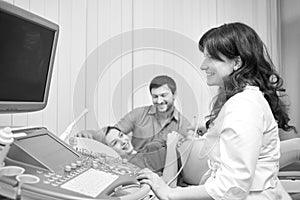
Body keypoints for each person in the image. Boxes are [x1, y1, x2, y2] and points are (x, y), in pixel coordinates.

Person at [136, 22, 297, 200]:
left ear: (236, 62)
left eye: (211, 57)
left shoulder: (243, 107)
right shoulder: (240, 102)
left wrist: (169, 193)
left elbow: (232, 187)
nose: (203, 66)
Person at [77, 75, 192, 151]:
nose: (159, 101)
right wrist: (91, 134)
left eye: (164, 95)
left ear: (174, 94)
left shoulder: (184, 125)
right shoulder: (138, 114)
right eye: (155, 96)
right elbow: (113, 134)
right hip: (134, 169)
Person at [99, 125, 182, 186]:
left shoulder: (144, 150)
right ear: (109, 151)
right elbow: (169, 183)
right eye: (115, 143)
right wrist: (171, 146)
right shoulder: (130, 166)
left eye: (121, 135)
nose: (123, 141)